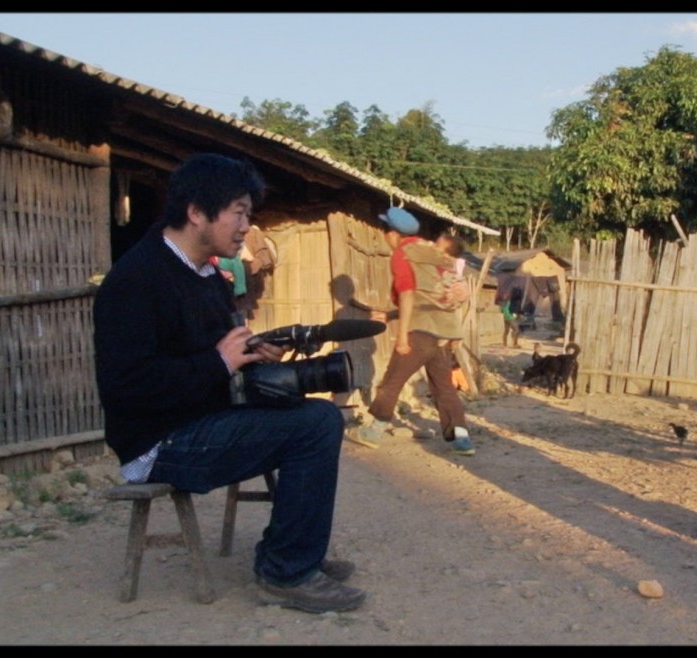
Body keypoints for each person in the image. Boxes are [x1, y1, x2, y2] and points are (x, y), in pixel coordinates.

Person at [93, 153, 366, 614]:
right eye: (238, 211)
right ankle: (286, 572)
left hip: (201, 416)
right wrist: (220, 362)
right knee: (314, 424)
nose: (246, 226)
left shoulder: (207, 276)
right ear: (197, 212)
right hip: (157, 442)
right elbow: (128, 386)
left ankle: (297, 554)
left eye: (248, 213)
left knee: (313, 410)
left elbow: (207, 357)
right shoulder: (136, 280)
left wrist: (249, 353)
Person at [352, 207, 475, 456]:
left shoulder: (403, 254)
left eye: (386, 232)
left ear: (393, 234)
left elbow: (408, 294)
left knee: (392, 380)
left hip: (420, 332)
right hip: (443, 333)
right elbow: (430, 296)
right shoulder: (434, 254)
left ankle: (373, 431)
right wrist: (390, 314)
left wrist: (402, 335)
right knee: (444, 386)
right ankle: (461, 438)